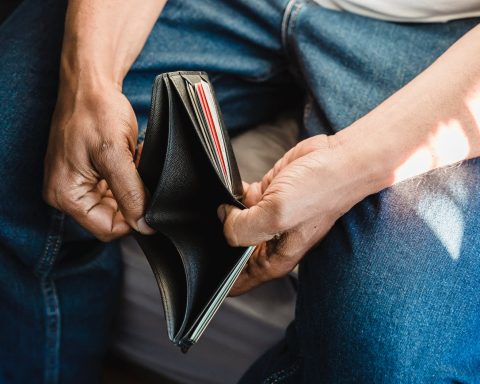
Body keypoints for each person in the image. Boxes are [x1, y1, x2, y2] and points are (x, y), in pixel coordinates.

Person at [0, 0, 479, 382]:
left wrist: (352, 166)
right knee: (12, 140)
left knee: (387, 354)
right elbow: (82, 86)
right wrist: (87, 78)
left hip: (452, 45)